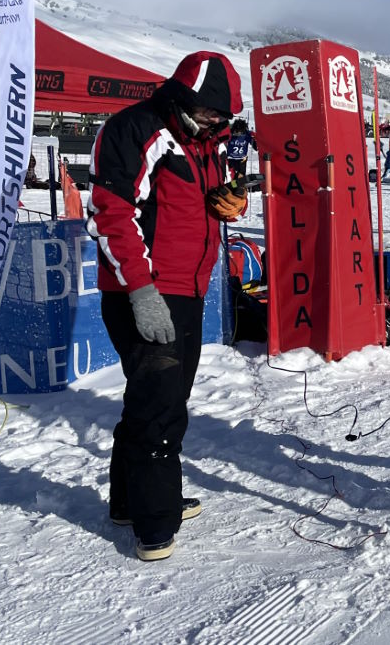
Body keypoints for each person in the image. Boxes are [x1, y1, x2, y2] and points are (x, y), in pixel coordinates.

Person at [87, 51, 244, 562]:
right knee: (158, 404)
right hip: (148, 291)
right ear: (184, 99)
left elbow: (189, 200)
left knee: (160, 400)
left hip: (188, 288)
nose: (218, 125)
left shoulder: (203, 139)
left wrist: (228, 200)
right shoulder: (135, 130)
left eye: (223, 119)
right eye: (212, 115)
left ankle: (132, 501)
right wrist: (140, 290)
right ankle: (156, 524)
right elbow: (113, 214)